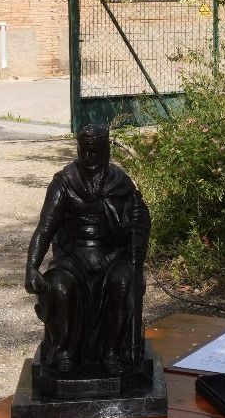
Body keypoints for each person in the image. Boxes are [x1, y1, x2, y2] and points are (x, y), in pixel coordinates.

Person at [25, 125, 150, 377]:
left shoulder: (120, 183)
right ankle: (64, 353)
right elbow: (45, 227)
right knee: (59, 286)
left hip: (111, 256)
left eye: (97, 152)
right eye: (86, 152)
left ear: (106, 151)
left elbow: (136, 228)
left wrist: (140, 220)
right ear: (79, 149)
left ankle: (113, 352)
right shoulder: (64, 183)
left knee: (124, 281)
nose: (91, 159)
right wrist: (31, 266)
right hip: (72, 260)